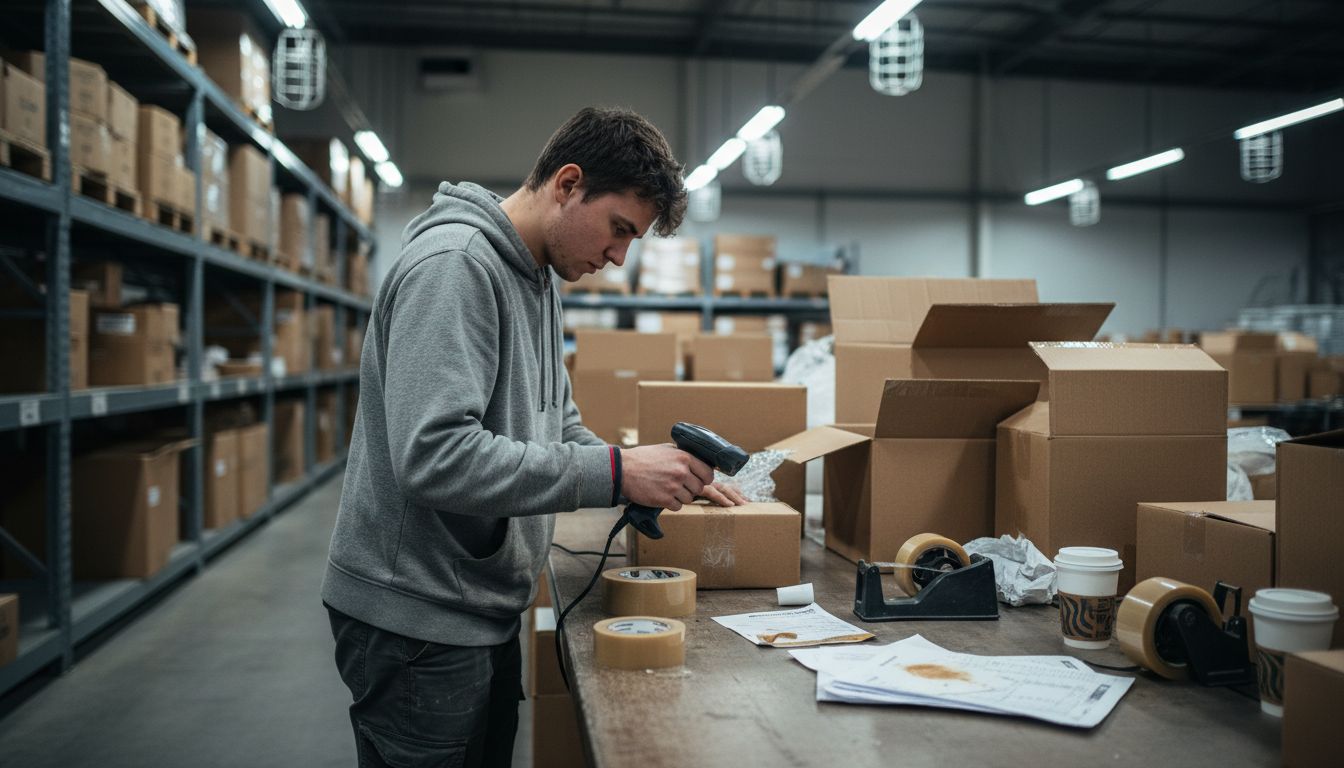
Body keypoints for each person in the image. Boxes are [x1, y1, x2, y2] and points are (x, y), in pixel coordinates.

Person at [322, 106, 747, 768]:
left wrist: (647, 471)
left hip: (472, 604)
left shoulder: (533, 277)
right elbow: (433, 458)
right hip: (416, 619)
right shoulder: (456, 267)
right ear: (568, 184)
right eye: (618, 229)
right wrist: (615, 472)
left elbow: (558, 422)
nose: (617, 256)